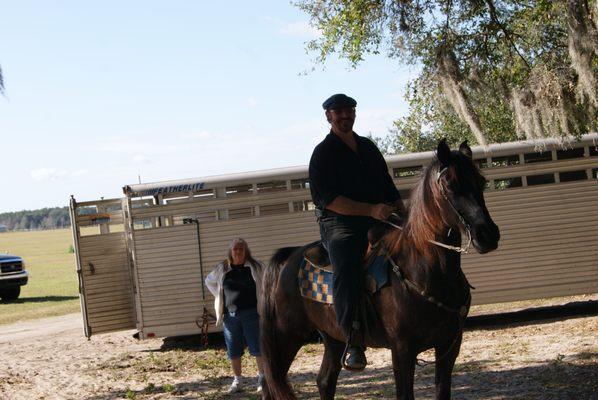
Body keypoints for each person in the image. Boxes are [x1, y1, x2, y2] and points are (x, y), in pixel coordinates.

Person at [308, 93, 405, 371]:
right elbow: (329, 200)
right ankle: (353, 340)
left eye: (348, 111)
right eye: (338, 113)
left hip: (379, 217)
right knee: (348, 265)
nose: (344, 116)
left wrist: (401, 209)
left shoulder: (368, 147)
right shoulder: (323, 153)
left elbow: (387, 183)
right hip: (339, 225)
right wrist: (371, 210)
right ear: (328, 116)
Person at [205, 238, 265, 394]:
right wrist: (219, 296)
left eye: (241, 249)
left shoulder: (256, 266)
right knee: (233, 350)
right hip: (230, 316)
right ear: (230, 251)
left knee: (258, 348)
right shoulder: (223, 267)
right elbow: (209, 281)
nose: (238, 252)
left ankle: (263, 379)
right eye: (235, 249)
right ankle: (238, 381)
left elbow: (267, 280)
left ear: (246, 251)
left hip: (252, 314)